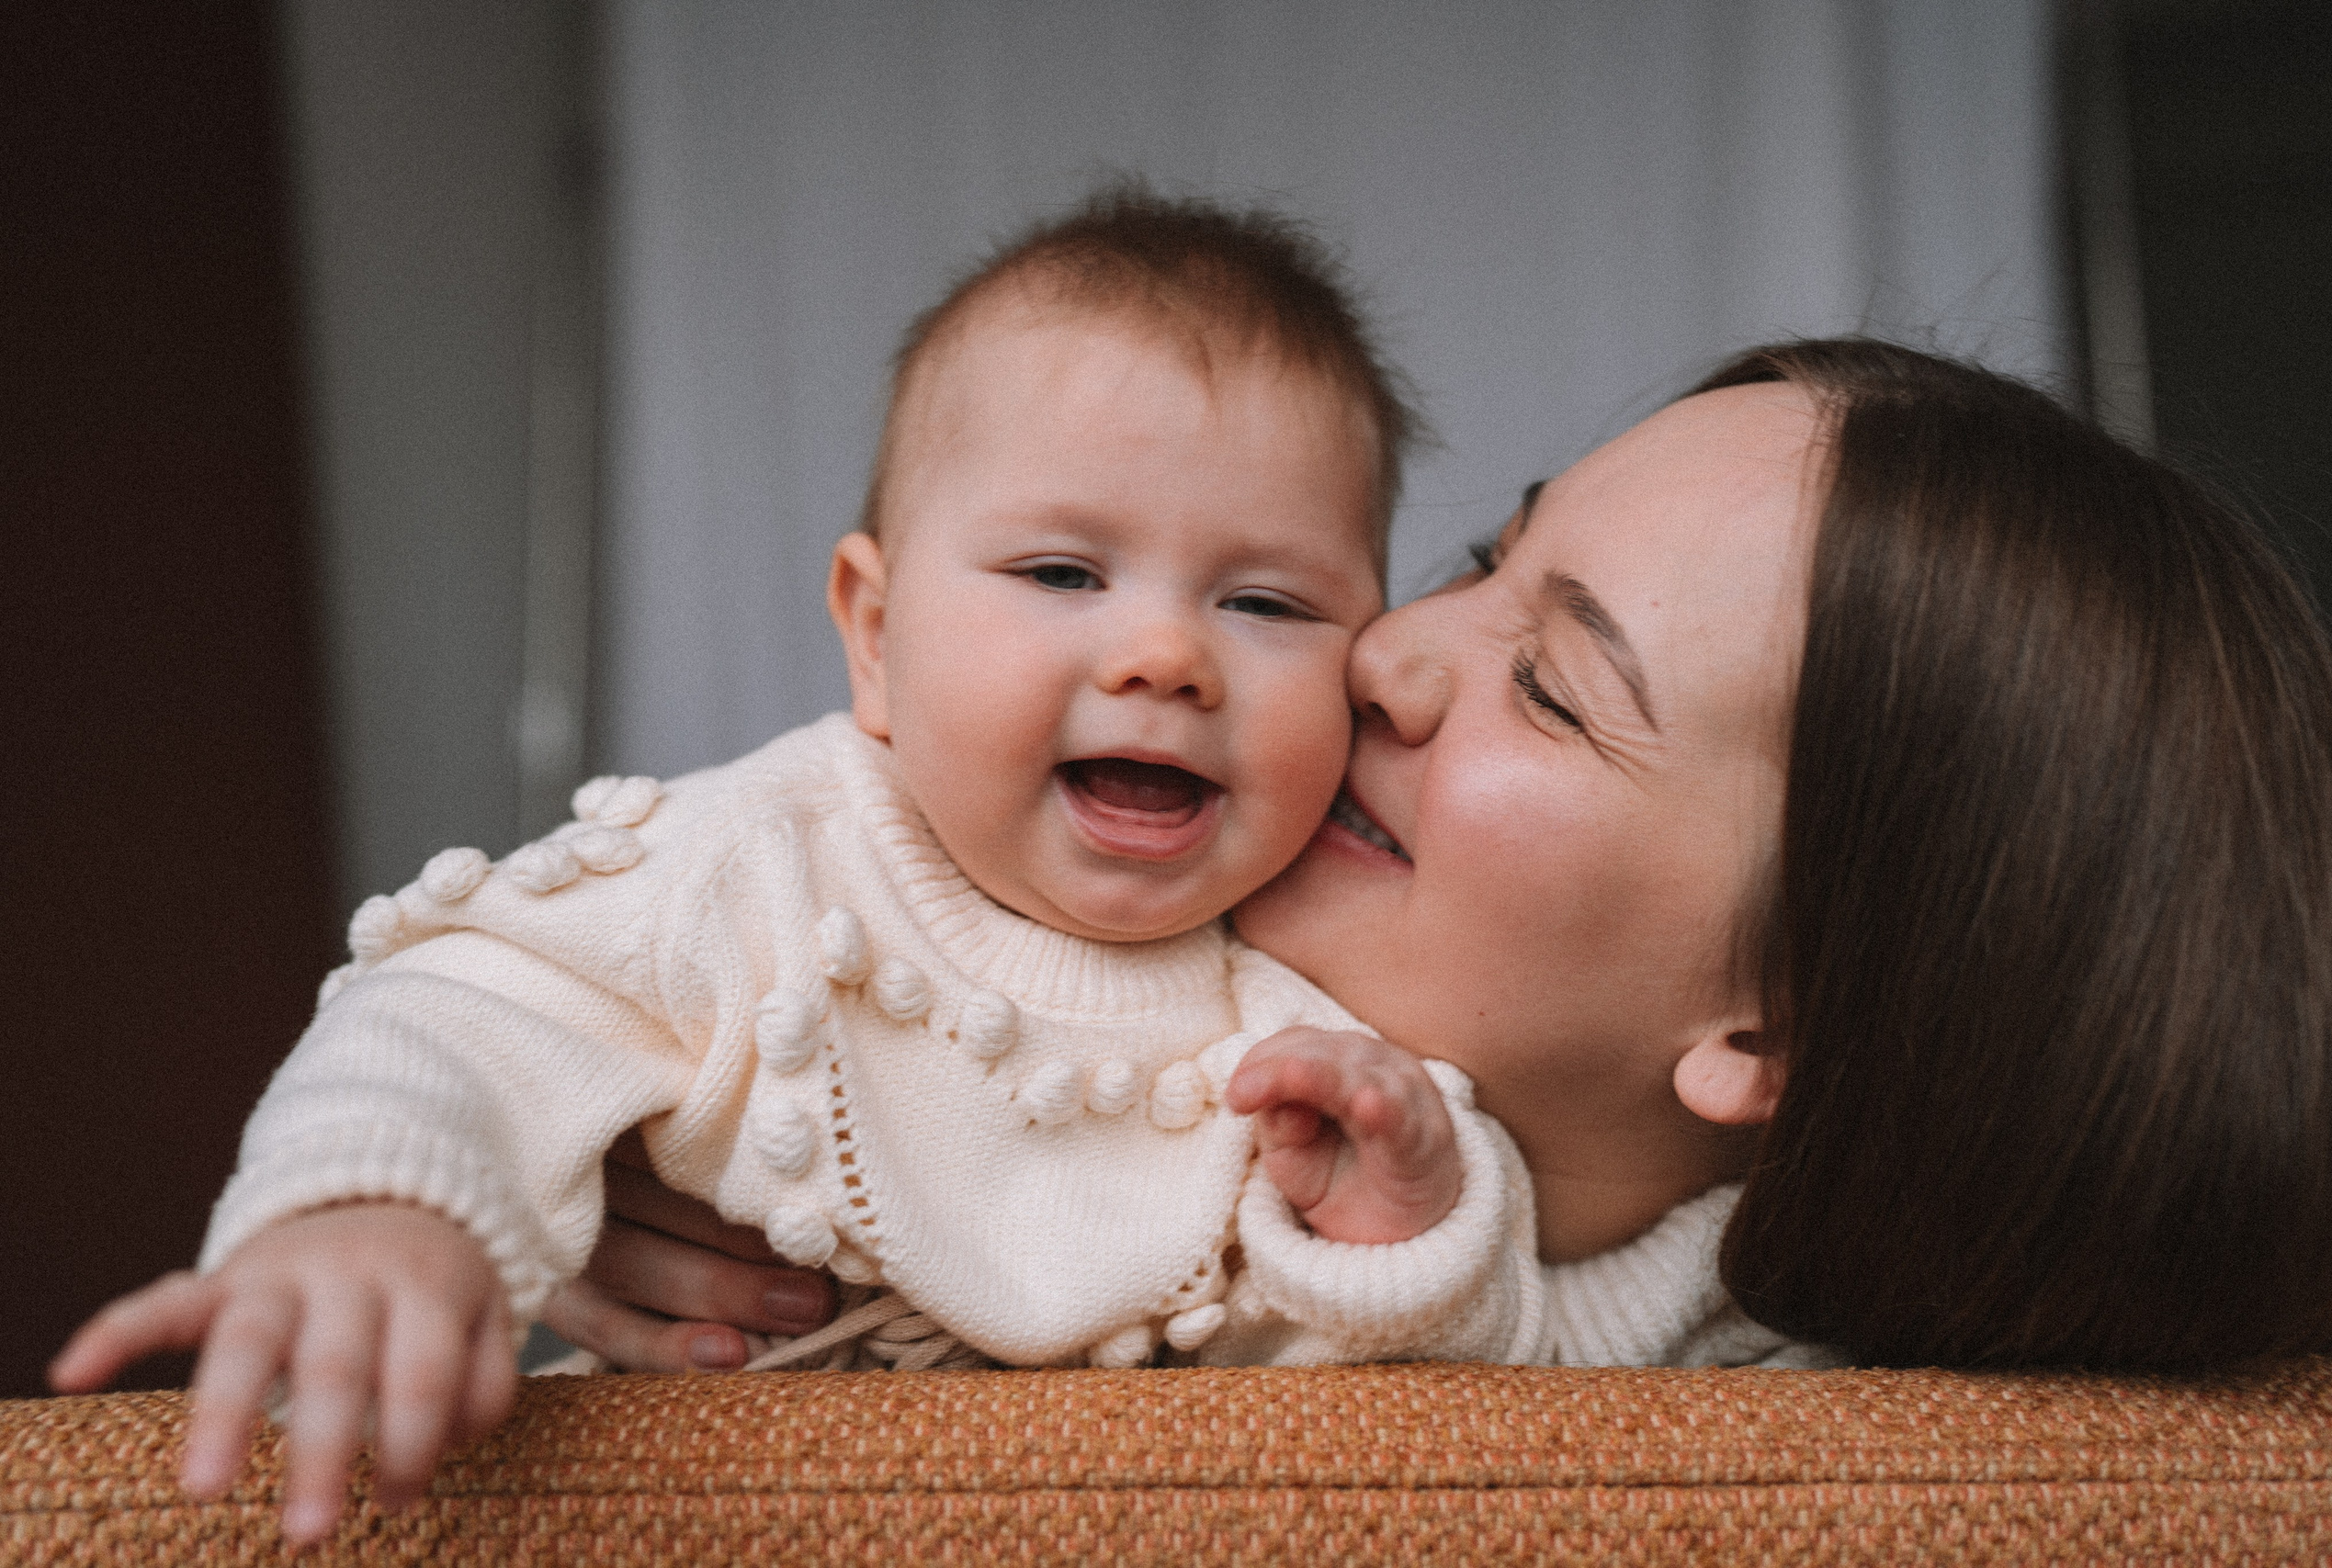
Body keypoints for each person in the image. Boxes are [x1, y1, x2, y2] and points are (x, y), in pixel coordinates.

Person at [52, 188, 1607, 1548]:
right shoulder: (760, 869)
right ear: (875, 634)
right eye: (1064, 572)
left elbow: (1384, 1413)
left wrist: (1396, 1242)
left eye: (1268, 603)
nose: (1164, 654)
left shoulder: (1312, 1008)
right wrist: (387, 1204)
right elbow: (469, 1009)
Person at [562, 337, 2332, 1384]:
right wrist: (601, 1138)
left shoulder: (1782, 1451)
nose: (1382, 651)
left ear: (1774, 1028)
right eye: (1486, 551)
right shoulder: (906, 917)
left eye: (1556, 690)